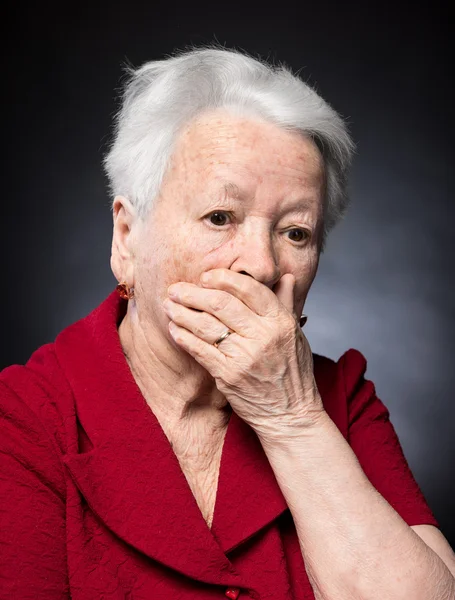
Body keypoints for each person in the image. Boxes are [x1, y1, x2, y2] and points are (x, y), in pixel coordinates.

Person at [1, 46, 454, 600]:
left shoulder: (340, 400)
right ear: (127, 238)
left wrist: (292, 419)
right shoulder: (25, 417)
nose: (261, 265)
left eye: (295, 233)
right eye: (220, 217)